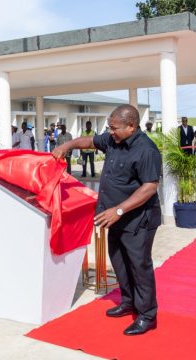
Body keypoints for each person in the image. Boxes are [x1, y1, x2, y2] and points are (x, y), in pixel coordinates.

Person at [53, 104, 162, 336]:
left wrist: (119, 211)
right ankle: (128, 301)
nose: (110, 132)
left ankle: (147, 315)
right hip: (115, 219)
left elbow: (149, 187)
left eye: (114, 128)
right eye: (109, 127)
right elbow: (90, 141)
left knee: (139, 266)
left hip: (137, 220)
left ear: (131, 126)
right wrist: (67, 145)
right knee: (119, 261)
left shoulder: (146, 150)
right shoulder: (113, 140)